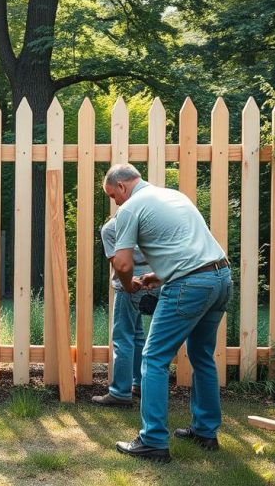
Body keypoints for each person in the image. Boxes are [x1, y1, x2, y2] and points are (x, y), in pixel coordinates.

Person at [102, 163, 231, 463]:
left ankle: (153, 441)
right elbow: (187, 250)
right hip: (221, 277)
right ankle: (205, 431)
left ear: (122, 186)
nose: (116, 202)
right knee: (202, 357)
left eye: (113, 195)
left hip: (190, 285)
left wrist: (129, 285)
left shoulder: (131, 207)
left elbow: (122, 264)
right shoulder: (174, 196)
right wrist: (155, 278)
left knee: (154, 358)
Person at [91, 217, 154, 407]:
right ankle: (139, 384)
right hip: (151, 281)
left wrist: (127, 284)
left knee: (122, 338)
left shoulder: (111, 228)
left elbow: (119, 264)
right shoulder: (145, 220)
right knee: (137, 336)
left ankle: (120, 393)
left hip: (130, 286)